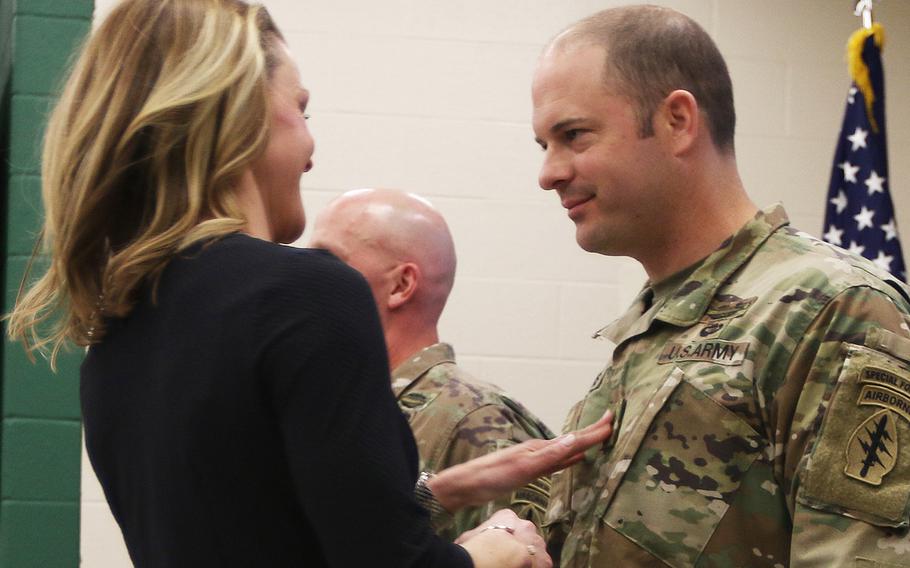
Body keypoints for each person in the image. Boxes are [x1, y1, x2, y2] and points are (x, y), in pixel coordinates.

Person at [4, 1, 614, 566]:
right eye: (302, 108)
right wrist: (498, 549)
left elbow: (258, 526)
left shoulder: (116, 335)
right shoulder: (302, 294)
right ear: (241, 114)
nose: (312, 148)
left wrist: (435, 491)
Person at [531, 5, 910, 567]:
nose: (549, 173)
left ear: (678, 121)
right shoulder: (644, 332)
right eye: (544, 146)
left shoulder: (833, 308)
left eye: (573, 135)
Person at [309, 188, 555, 539]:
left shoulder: (476, 421)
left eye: (327, 260)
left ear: (401, 285)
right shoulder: (350, 409)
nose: (306, 275)